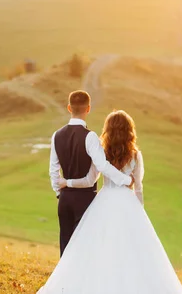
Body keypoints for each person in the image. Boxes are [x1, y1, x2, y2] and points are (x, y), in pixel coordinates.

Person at [38, 110, 182, 294]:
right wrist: (139, 211)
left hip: (104, 201)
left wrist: (67, 182)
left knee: (99, 245)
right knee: (133, 249)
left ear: (108, 130)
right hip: (128, 203)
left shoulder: (101, 153)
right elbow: (138, 187)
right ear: (129, 130)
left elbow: (90, 180)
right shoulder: (135, 155)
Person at [49, 90, 134, 256]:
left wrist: (60, 193)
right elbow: (102, 166)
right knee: (84, 247)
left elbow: (53, 170)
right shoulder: (90, 137)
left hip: (64, 199)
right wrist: (125, 180)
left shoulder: (56, 135)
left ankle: (65, 282)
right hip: (85, 200)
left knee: (65, 246)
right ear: (88, 109)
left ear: (69, 108)